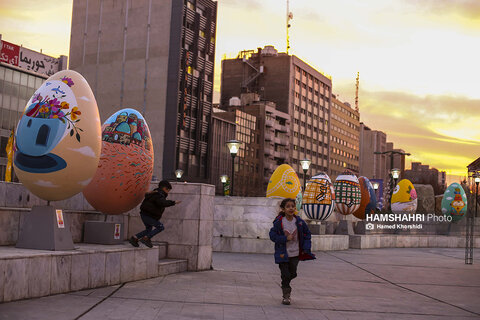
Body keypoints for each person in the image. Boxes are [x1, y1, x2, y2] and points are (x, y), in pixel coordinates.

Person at [269, 198, 316, 305]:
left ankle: (285, 282)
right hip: (283, 254)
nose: (291, 208)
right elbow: (272, 236)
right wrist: (285, 238)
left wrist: (306, 248)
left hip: (295, 253)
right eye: (288, 206)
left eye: (292, 206)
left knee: (293, 273)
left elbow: (307, 234)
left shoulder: (299, 222)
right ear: (283, 209)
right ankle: (286, 296)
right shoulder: (279, 222)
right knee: (285, 274)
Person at [129, 180, 181, 248]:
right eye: (168, 191)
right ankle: (146, 238)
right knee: (160, 227)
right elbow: (162, 203)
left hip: (145, 214)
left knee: (148, 229)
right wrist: (173, 202)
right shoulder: (159, 194)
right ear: (164, 188)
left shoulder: (155, 193)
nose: (168, 193)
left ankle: (134, 238)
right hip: (148, 215)